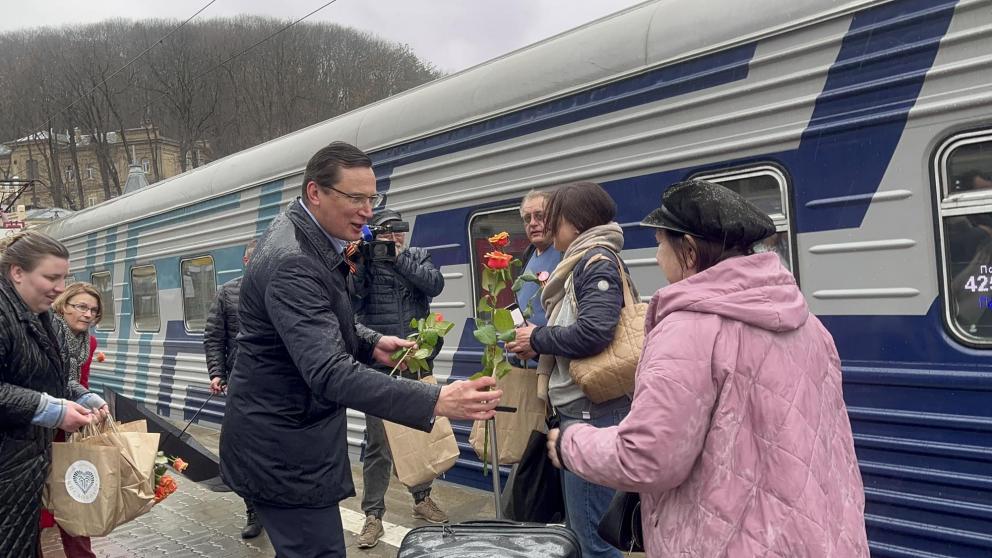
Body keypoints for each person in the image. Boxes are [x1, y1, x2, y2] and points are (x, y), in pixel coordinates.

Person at [547, 179, 869, 557]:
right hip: (822, 538)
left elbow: (649, 457)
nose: (656, 258)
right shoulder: (808, 323)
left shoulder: (688, 330)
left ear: (689, 250)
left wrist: (570, 443)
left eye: (660, 244)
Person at [219, 141, 501, 558]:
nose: (368, 211)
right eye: (356, 198)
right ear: (315, 192)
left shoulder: (304, 238)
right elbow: (329, 371)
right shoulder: (295, 261)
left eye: (372, 198)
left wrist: (372, 344)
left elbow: (325, 323)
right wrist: (436, 399)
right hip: (285, 454)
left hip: (289, 443)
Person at [506, 181, 634, 558]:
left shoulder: (595, 261)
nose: (545, 227)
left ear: (574, 224)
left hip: (592, 414)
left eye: (553, 220)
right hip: (581, 411)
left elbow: (595, 330)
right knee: (583, 530)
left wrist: (538, 339)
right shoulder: (580, 260)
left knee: (594, 540)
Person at [0, 231, 108, 557]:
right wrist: (51, 410)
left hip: (22, 469)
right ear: (17, 272)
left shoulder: (39, 315)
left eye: (64, 278)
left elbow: (53, 378)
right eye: (51, 277)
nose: (60, 288)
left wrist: (85, 397)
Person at [351, 209, 448, 549]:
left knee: (419, 435)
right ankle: (373, 515)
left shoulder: (417, 256)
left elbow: (434, 284)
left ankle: (422, 499)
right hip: (379, 363)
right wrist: (363, 257)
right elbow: (353, 295)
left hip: (417, 360)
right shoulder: (365, 259)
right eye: (386, 232)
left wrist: (398, 257)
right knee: (378, 443)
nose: (393, 237)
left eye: (398, 231)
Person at [202, 239, 262, 539]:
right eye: (255, 258)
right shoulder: (227, 292)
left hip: (276, 387)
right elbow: (213, 337)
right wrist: (217, 373)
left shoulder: (283, 289)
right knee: (245, 452)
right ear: (246, 261)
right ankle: (253, 510)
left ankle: (274, 508)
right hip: (240, 385)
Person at [40, 282, 104, 557]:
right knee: (37, 503)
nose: (88, 314)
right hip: (41, 422)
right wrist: (87, 400)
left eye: (94, 310)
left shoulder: (89, 342)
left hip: (69, 427)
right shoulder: (46, 333)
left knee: (77, 497)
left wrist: (89, 411)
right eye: (81, 307)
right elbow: (55, 380)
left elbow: (81, 381)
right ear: (63, 306)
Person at [511, 190, 561, 363]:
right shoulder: (529, 254)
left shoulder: (565, 254)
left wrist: (537, 343)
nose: (533, 223)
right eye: (527, 218)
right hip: (527, 365)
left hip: (554, 366)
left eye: (539, 216)